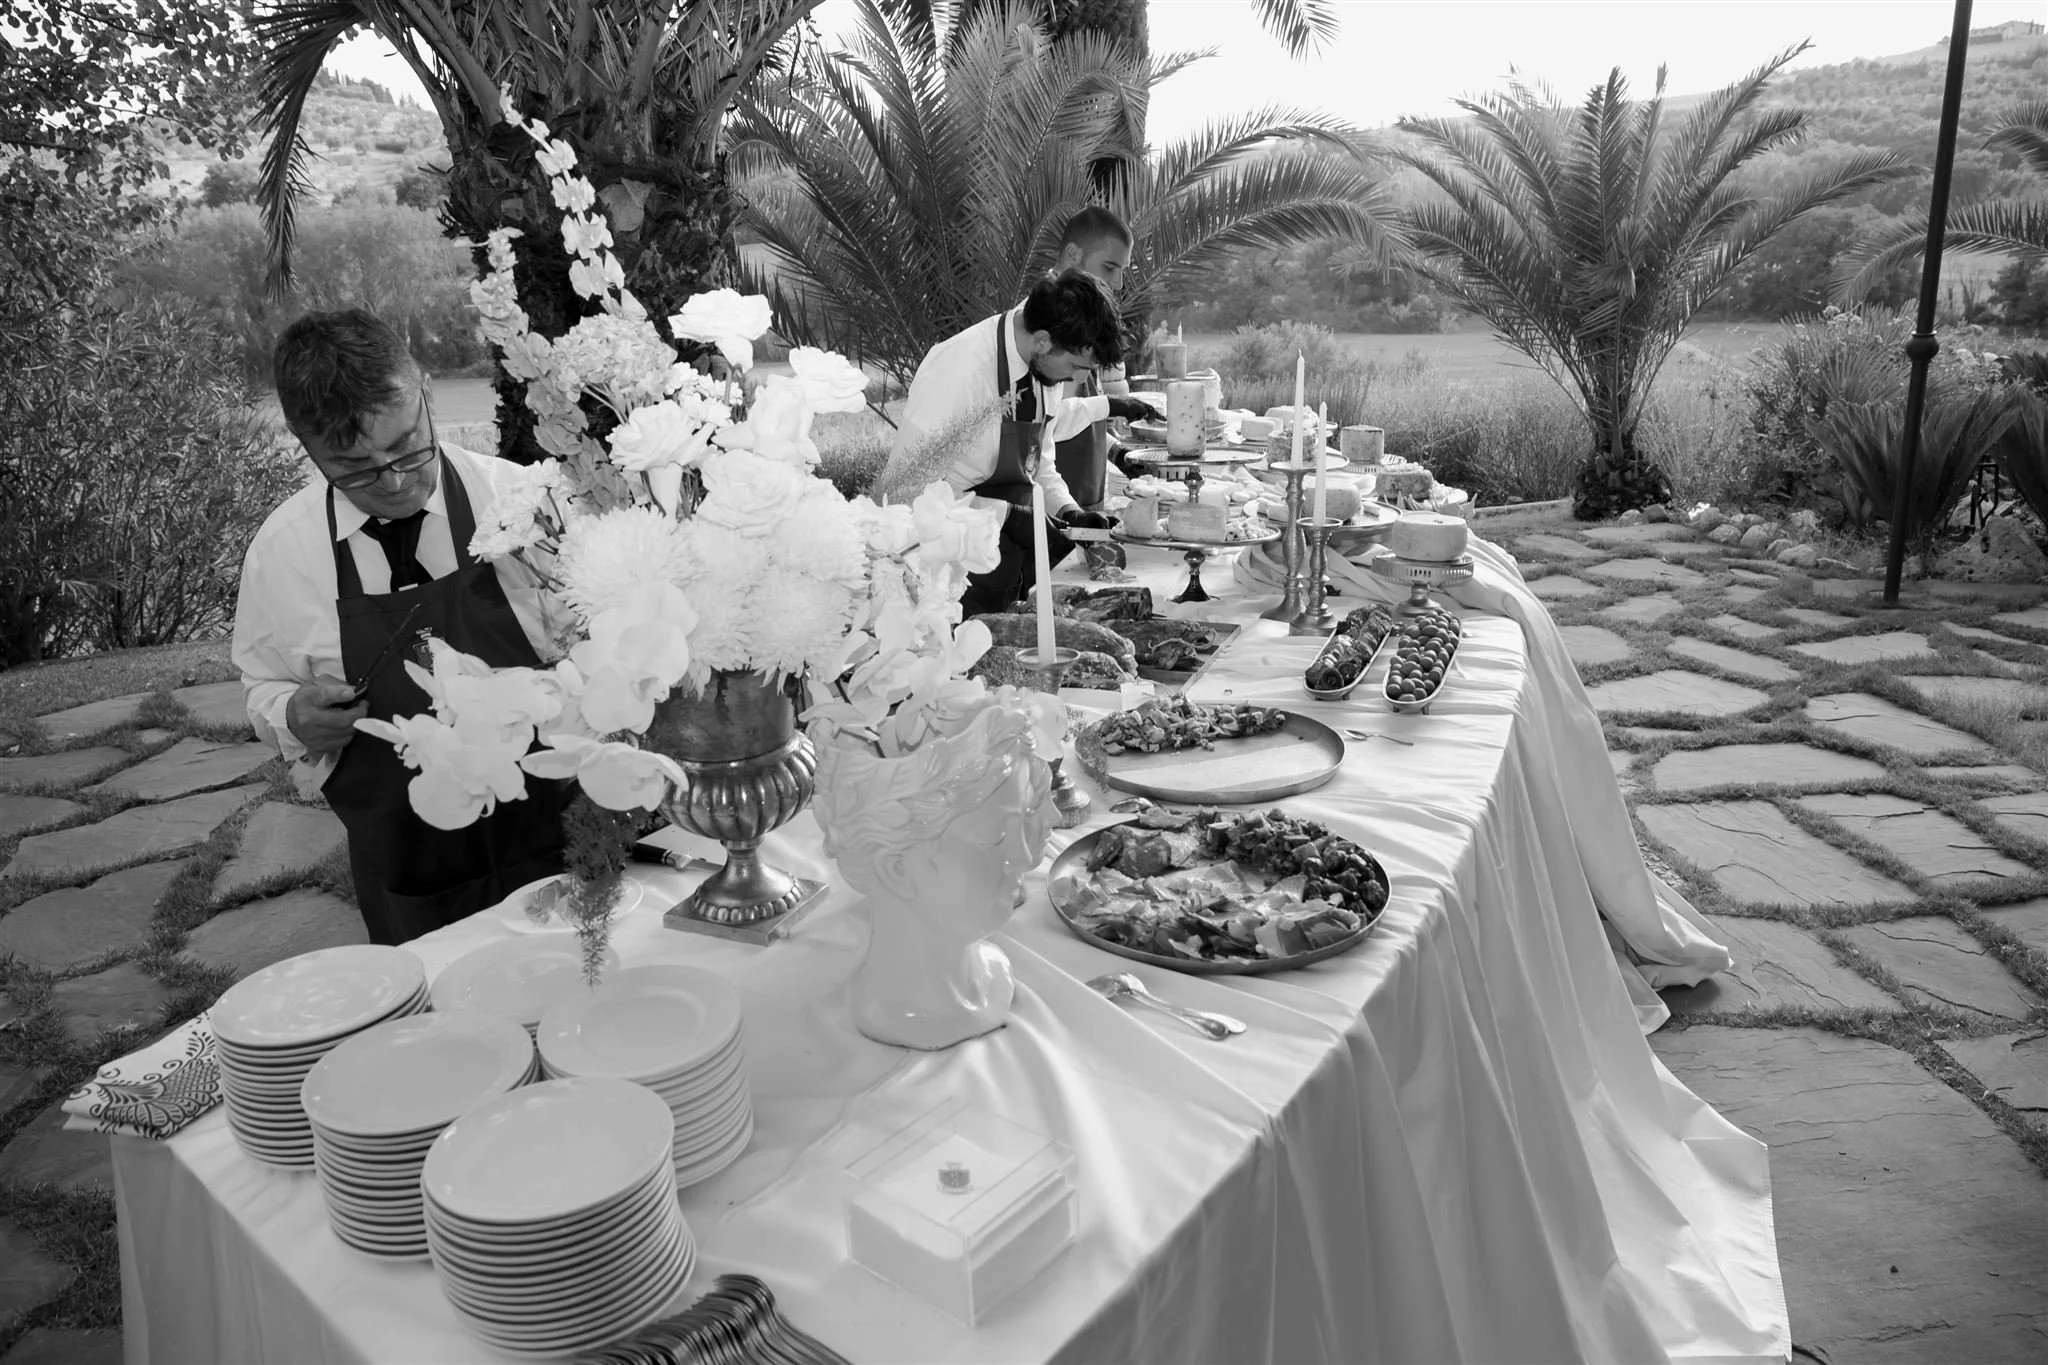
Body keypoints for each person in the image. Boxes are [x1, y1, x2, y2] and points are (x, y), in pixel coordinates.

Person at [232, 309, 571, 945]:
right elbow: (265, 686)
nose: (392, 479)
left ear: (426, 393)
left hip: (568, 846)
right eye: (354, 466)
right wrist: (293, 716)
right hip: (412, 880)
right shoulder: (282, 555)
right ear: (305, 445)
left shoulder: (524, 505)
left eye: (407, 444)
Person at [879, 269, 1154, 618]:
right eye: (1075, 366)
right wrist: (1004, 515)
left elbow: (1040, 461)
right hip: (946, 583)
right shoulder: (959, 373)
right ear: (1042, 341)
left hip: (1009, 571)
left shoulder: (1044, 364)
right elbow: (904, 494)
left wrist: (1069, 511)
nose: (1078, 378)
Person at [1047, 207, 1150, 578]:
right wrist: (1111, 404)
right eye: (1110, 267)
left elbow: (1079, 412)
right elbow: (1049, 423)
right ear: (1073, 255)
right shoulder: (1048, 325)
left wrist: (1115, 451)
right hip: (1056, 508)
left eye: (1123, 271)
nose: (1119, 284)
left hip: (1085, 500)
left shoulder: (1083, 321)